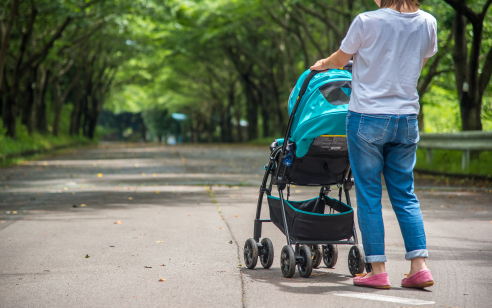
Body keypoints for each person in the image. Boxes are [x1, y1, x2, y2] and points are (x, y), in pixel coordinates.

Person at [310, 0, 437, 289]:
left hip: (367, 117)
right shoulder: (428, 22)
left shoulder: (366, 20)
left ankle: (377, 270)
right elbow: (416, 64)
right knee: (405, 194)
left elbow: (340, 61)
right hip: (406, 117)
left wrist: (323, 64)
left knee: (369, 194)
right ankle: (419, 267)